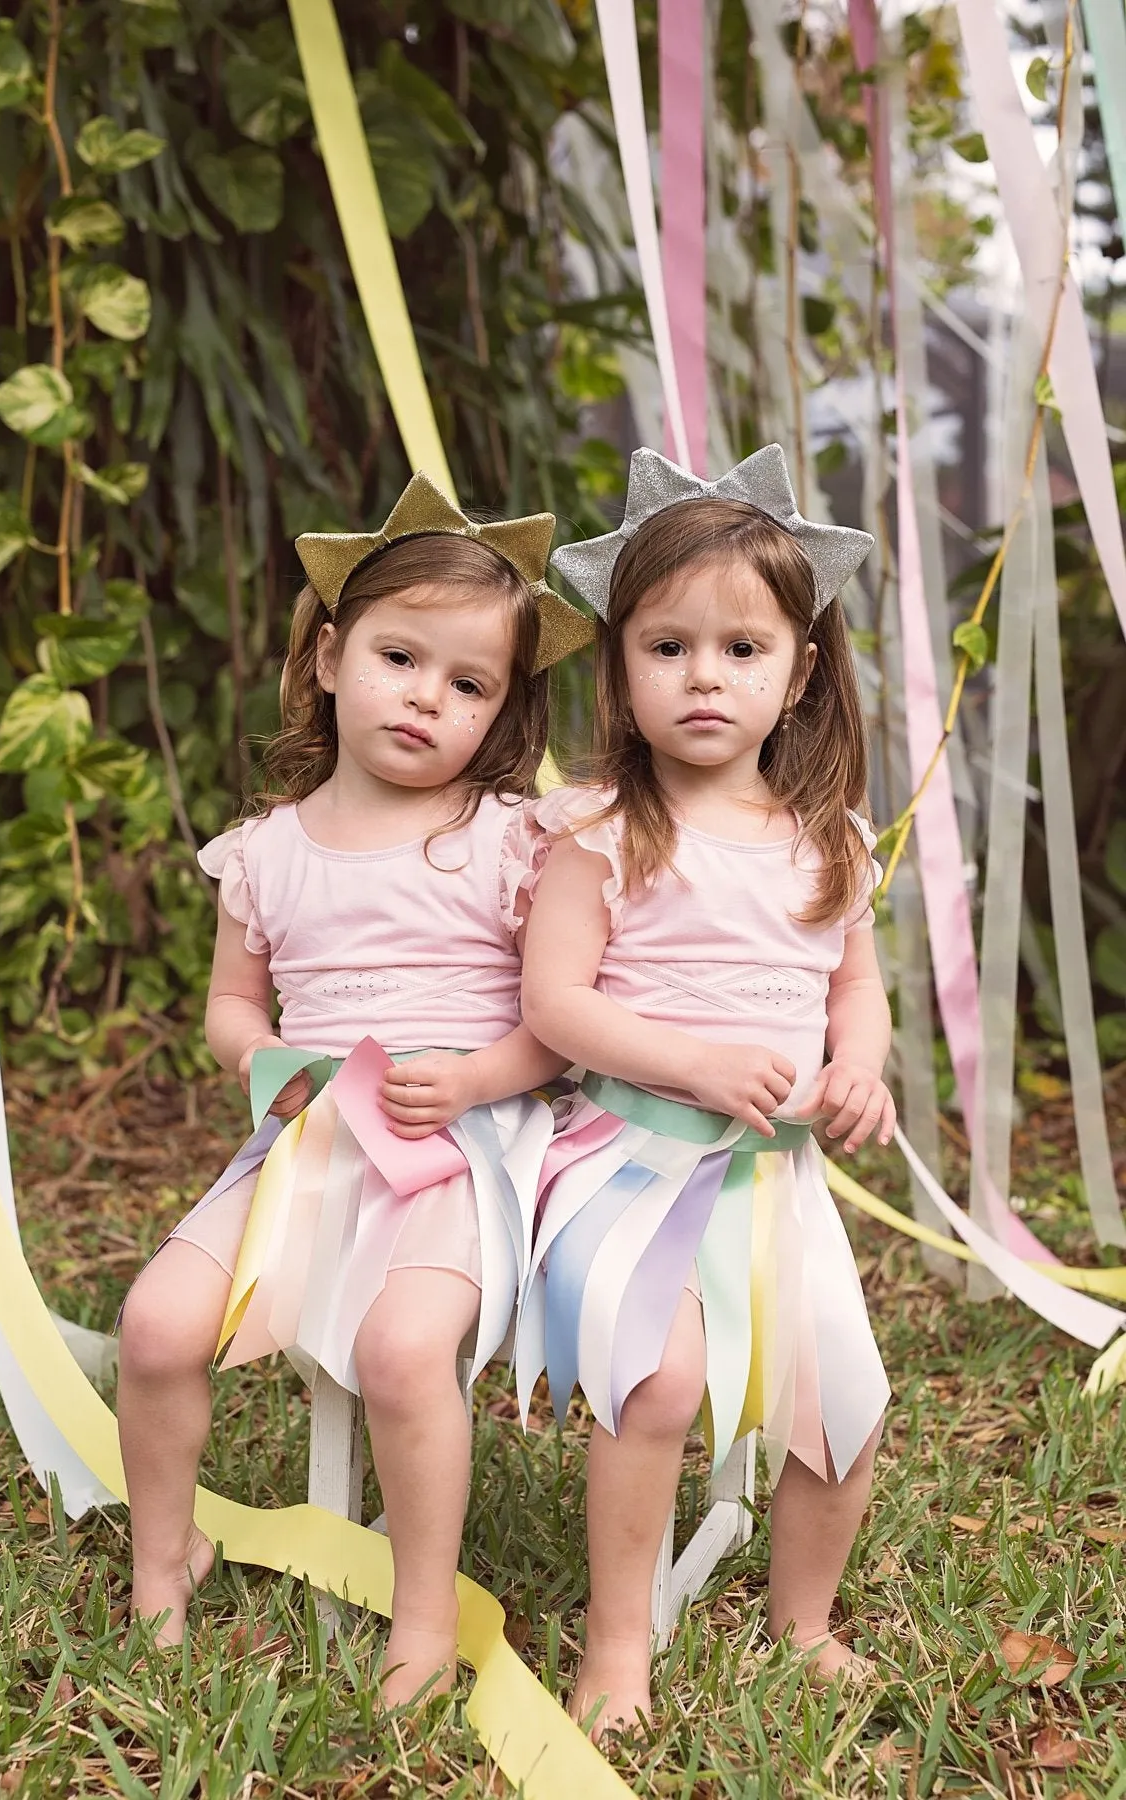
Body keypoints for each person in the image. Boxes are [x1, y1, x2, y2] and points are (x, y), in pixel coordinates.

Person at [117, 473, 592, 1703]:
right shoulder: (270, 846)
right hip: (313, 1140)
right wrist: (258, 1065)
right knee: (159, 1325)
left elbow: (558, 1024)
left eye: (470, 683)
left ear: (502, 714)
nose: (428, 696)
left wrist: (476, 1075)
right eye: (398, 656)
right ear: (330, 656)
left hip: (461, 1145)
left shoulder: (502, 840)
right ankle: (164, 1564)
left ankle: (423, 1619)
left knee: (399, 1347)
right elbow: (234, 1005)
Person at [517, 446, 894, 1736]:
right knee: (657, 1381)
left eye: (742, 649)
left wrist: (860, 1073)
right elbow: (555, 1007)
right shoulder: (603, 830)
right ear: (622, 667)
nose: (704, 677)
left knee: (846, 1406)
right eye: (667, 647)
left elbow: (856, 986)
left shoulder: (829, 835)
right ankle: (619, 1641)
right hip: (627, 1163)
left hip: (774, 1185)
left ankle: (804, 1622)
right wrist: (697, 1062)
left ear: (799, 673)